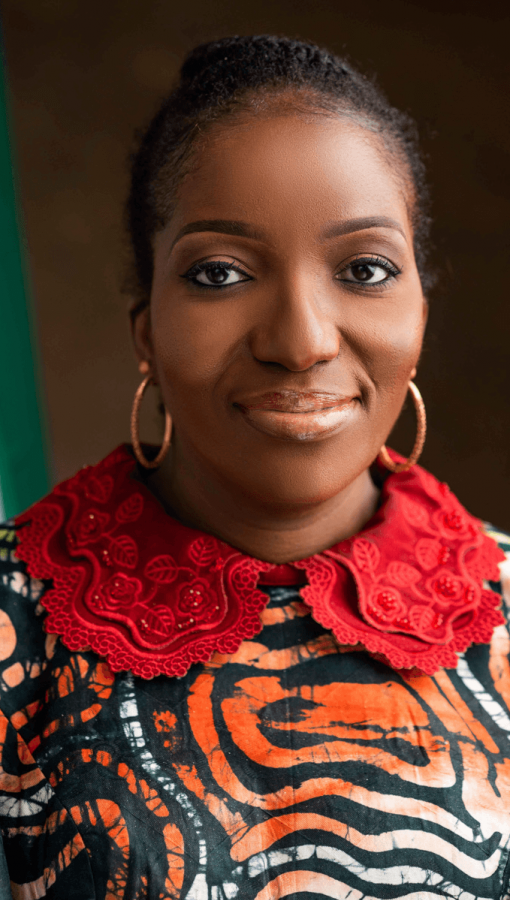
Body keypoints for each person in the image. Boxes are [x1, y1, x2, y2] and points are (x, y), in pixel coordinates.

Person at [1, 34, 509, 900]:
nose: (302, 340)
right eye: (221, 272)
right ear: (146, 332)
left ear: (420, 307)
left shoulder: (499, 607)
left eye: (365, 269)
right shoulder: (20, 625)